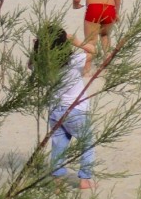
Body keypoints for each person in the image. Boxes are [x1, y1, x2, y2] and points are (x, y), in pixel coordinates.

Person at [35, 26, 97, 189]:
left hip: (55, 109)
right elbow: (92, 51)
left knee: (59, 145)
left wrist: (37, 48)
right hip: (76, 110)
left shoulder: (42, 65)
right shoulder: (73, 61)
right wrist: (77, 42)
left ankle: (58, 180)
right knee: (86, 142)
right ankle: (85, 179)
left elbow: (31, 63)